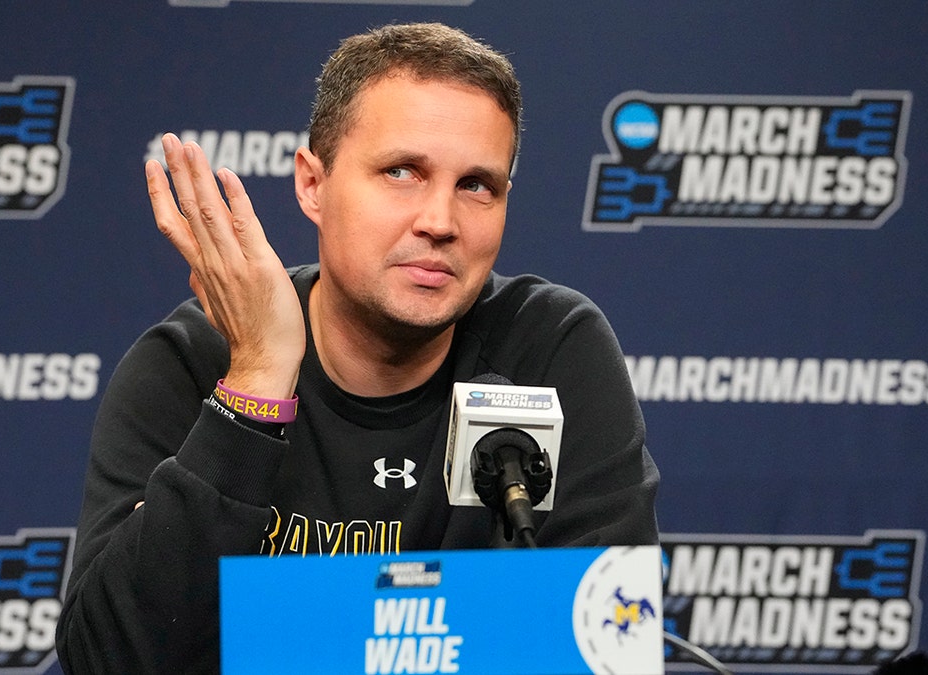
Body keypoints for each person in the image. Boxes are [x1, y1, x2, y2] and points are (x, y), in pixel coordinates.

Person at [55, 22, 659, 673]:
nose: (440, 221)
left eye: (477, 185)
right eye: (402, 172)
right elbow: (106, 660)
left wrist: (258, 627)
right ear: (313, 184)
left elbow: (608, 639)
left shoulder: (550, 350)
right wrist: (256, 380)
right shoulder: (189, 364)